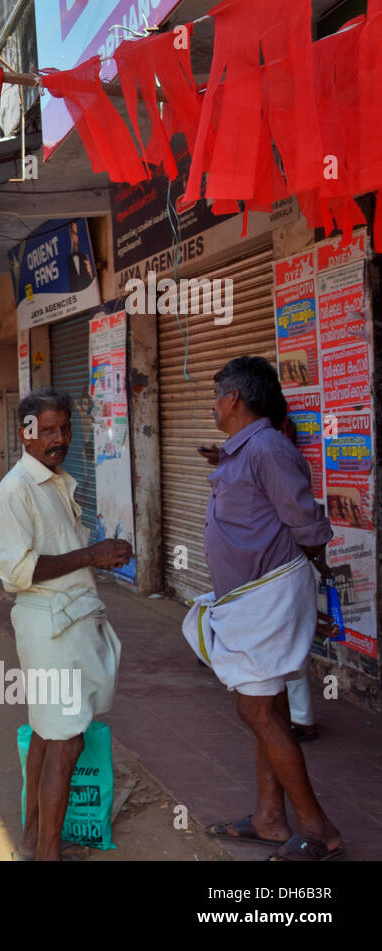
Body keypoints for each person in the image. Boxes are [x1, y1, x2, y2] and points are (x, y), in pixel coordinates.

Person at [187, 356, 341, 860]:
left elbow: (305, 522)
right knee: (268, 705)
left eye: (216, 396)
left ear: (233, 399)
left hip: (269, 594)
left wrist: (315, 575)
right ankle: (270, 819)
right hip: (252, 596)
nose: (214, 405)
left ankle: (319, 829)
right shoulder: (248, 450)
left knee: (255, 709)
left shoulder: (269, 448)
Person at [0, 387, 131, 861]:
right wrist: (93, 555)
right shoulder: (16, 491)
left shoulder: (53, 480)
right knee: (64, 744)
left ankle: (33, 844)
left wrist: (95, 557)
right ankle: (46, 853)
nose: (59, 438)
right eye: (47, 430)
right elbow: (16, 571)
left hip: (67, 624)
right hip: (50, 629)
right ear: (26, 435)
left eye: (64, 428)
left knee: (50, 737)